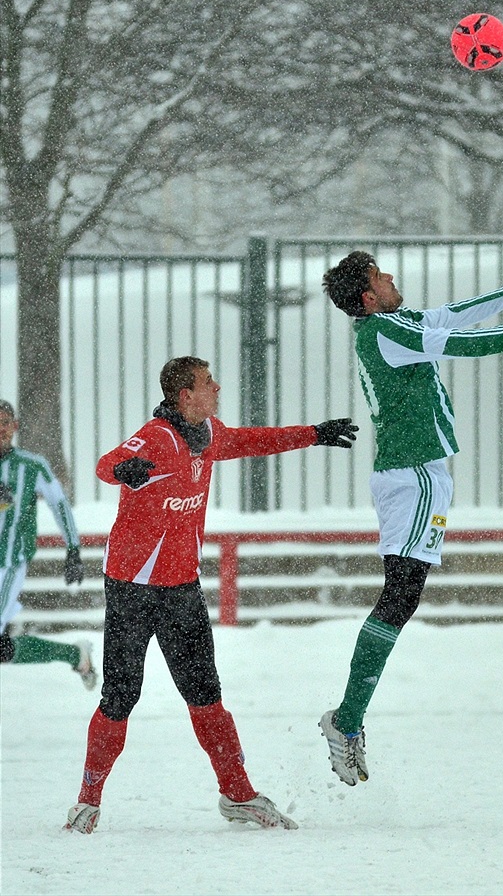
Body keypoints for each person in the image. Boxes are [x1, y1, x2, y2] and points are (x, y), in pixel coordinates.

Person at [319, 250, 503, 785]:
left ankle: (347, 721)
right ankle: (345, 722)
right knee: (400, 595)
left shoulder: (393, 323)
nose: (392, 277)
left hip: (418, 473)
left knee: (403, 594)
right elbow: (465, 345)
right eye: (380, 275)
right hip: (413, 474)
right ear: (369, 297)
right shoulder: (385, 332)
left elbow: (454, 315)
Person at [64, 355, 358, 834]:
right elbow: (105, 464)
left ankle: (238, 795)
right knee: (120, 698)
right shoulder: (157, 437)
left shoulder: (210, 434)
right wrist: (127, 470)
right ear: (184, 396)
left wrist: (313, 434)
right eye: (207, 382)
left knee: (207, 698)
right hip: (132, 590)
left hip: (181, 590)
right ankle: (87, 802)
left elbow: (249, 440)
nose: (217, 387)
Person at [0, 399, 95, 689]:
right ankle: (75, 655)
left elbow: (59, 504)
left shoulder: (31, 465)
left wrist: (73, 549)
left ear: (15, 427)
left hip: (9, 565)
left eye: (4, 422)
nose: (0, 429)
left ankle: (74, 655)